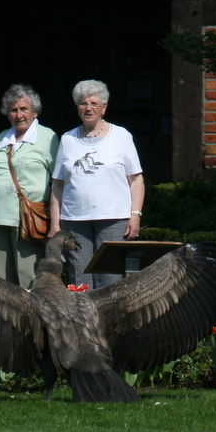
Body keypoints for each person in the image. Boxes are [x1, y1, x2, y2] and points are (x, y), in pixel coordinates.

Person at [49, 79, 145, 289]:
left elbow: (136, 179)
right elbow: (57, 185)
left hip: (113, 219)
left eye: (94, 103)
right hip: (75, 220)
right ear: (77, 108)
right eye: (83, 103)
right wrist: (55, 224)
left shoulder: (121, 136)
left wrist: (135, 215)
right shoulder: (67, 139)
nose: (88, 108)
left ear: (104, 107)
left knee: (110, 281)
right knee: (80, 282)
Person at [0, 84, 59, 289]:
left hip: (27, 218)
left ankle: (32, 320)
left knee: (27, 277)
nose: (18, 115)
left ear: (35, 111)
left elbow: (58, 181)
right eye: (13, 110)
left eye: (23, 109)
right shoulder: (2, 138)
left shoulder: (47, 137)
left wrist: (56, 221)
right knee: (2, 280)